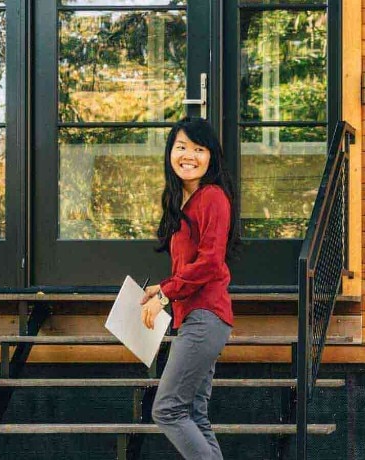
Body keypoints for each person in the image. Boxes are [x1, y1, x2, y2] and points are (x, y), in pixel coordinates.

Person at [140, 117, 241, 460]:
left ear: (211, 157)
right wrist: (161, 289)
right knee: (195, 415)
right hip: (195, 318)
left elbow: (211, 262)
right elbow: (190, 265)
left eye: (199, 149)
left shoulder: (213, 197)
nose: (189, 156)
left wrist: (166, 294)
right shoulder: (181, 201)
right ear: (170, 152)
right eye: (181, 147)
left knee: (167, 409)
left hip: (205, 318)